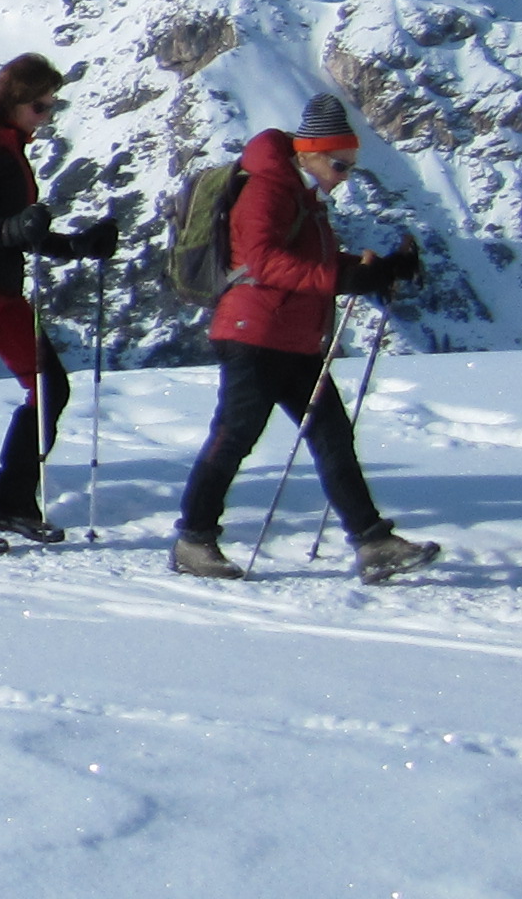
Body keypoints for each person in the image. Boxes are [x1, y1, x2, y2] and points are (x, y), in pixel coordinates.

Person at [168, 94, 435, 581]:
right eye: (339, 164)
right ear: (309, 152)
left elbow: (312, 266)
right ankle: (193, 538)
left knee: (331, 436)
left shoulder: (299, 194)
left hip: (292, 337)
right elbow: (264, 263)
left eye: (350, 167)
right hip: (254, 332)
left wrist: (373, 271)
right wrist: (343, 278)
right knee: (236, 436)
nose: (344, 175)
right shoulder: (268, 188)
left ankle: (372, 542)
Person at [0, 53, 120, 550]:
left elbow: (15, 232)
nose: (47, 116)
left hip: (0, 286)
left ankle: (11, 503)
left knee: (49, 385)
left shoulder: (10, 146)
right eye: (40, 106)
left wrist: (73, 246)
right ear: (12, 100)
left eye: (52, 106)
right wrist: (15, 229)